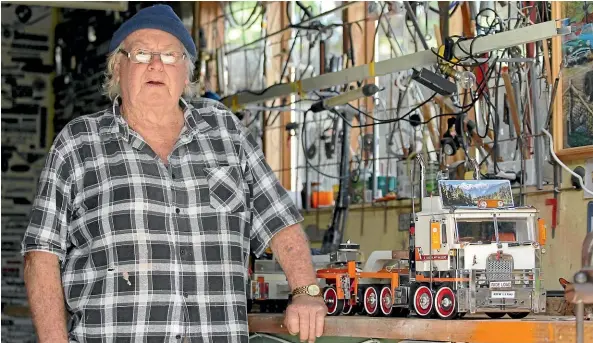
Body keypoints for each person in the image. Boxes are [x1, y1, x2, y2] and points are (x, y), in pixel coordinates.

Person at [21, 5, 326, 343]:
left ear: (186, 75)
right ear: (117, 69)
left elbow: (279, 219)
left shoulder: (225, 130)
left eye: (169, 55)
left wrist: (306, 290)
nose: (155, 64)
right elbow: (42, 254)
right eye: (141, 54)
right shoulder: (79, 142)